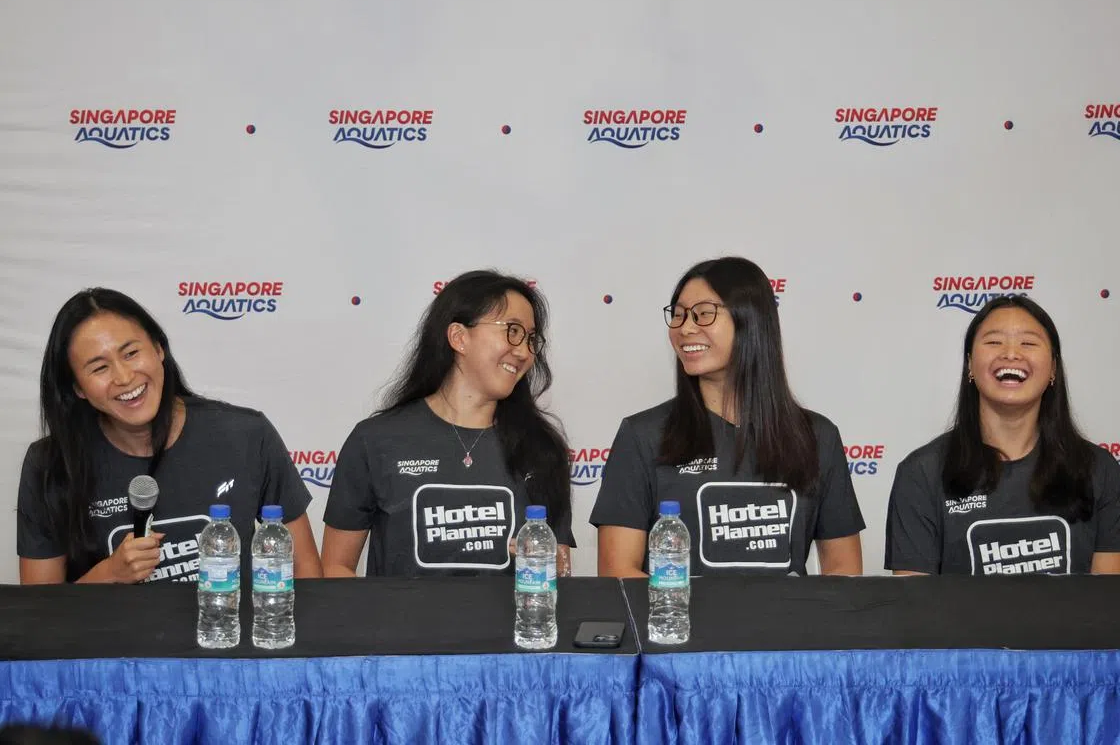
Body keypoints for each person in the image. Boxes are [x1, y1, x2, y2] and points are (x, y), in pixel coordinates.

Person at [17, 288, 321, 584]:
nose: (124, 378)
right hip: (110, 636)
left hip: (227, 632)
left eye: (131, 353)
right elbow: (41, 615)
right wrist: (108, 574)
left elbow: (305, 571)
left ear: (159, 349)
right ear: (78, 388)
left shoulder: (246, 436)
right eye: (99, 368)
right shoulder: (50, 465)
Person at [590, 257, 864, 577]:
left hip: (788, 626)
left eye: (703, 314)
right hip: (683, 626)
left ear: (751, 320)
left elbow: (843, 571)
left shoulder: (818, 436)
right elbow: (617, 572)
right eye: (678, 316)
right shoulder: (643, 435)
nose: (685, 328)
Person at [321, 270, 574, 577]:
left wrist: (553, 566)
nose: (523, 351)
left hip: (508, 625)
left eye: (531, 339)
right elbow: (335, 568)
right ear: (459, 337)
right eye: (512, 331)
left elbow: (557, 571)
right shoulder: (376, 439)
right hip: (400, 625)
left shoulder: (543, 450)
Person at [885, 295, 1120, 575]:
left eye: (1028, 343)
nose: (1011, 353)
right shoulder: (921, 473)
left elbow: (1108, 606)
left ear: (1053, 368)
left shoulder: (1098, 470)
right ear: (970, 364)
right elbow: (913, 609)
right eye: (993, 342)